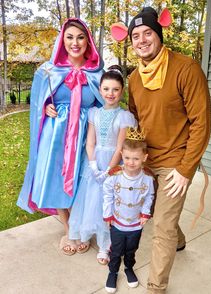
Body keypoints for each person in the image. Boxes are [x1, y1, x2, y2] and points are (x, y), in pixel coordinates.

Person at [110, 7, 211, 294]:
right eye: (135, 36)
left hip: (176, 161)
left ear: (159, 34)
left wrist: (185, 168)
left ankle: (156, 288)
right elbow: (136, 123)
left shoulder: (186, 69)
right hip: (147, 161)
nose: (141, 40)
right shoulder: (133, 79)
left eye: (147, 33)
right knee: (157, 212)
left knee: (162, 227)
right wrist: (132, 161)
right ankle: (179, 240)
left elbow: (201, 123)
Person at [17, 18, 104, 255]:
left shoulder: (97, 72)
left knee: (81, 182)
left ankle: (79, 226)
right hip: (55, 135)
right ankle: (69, 230)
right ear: (62, 40)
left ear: (88, 41)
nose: (75, 43)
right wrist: (44, 107)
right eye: (70, 37)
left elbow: (104, 103)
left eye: (80, 37)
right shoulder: (48, 70)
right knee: (56, 179)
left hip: (85, 136)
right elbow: (36, 101)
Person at [68, 65, 137, 261]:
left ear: (122, 91)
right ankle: (89, 234)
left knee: (109, 203)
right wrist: (92, 165)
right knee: (92, 200)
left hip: (113, 165)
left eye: (115, 89)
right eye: (106, 89)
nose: (111, 93)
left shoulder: (124, 116)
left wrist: (108, 171)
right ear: (100, 90)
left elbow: (120, 148)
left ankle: (106, 245)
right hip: (94, 162)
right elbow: (90, 142)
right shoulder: (94, 113)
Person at [103, 127, 155, 293]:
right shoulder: (115, 175)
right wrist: (108, 214)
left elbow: (149, 196)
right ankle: (113, 272)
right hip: (118, 223)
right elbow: (107, 195)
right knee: (116, 250)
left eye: (136, 159)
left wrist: (145, 213)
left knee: (131, 249)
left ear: (144, 158)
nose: (131, 162)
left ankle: (129, 268)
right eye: (126, 158)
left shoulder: (147, 178)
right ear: (121, 155)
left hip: (135, 224)